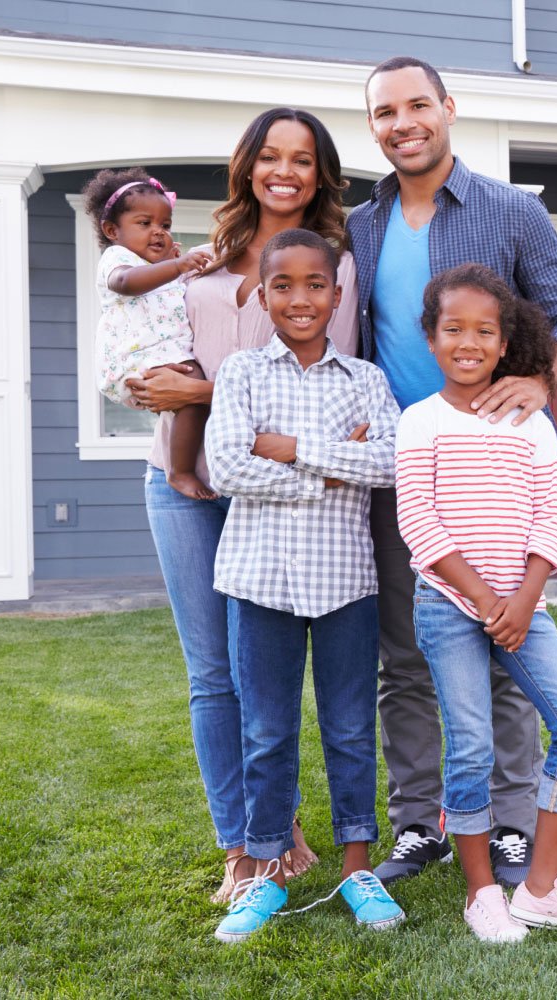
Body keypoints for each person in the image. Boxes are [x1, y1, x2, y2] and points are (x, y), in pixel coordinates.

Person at [347, 56, 557, 888]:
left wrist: (542, 377)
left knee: (508, 651)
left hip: (503, 466)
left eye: (418, 104)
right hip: (408, 469)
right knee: (408, 656)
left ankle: (513, 826)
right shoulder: (361, 225)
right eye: (385, 112)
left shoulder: (510, 211)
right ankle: (420, 825)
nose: (403, 122)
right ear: (373, 126)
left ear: (449, 109)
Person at [127, 107, 360, 902]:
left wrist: (199, 388)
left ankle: (276, 822)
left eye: (301, 158)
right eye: (269, 156)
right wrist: (154, 384)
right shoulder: (201, 256)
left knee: (270, 674)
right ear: (248, 165)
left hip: (274, 496)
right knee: (211, 675)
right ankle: (245, 842)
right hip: (182, 481)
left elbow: (327, 390)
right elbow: (157, 356)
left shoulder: (336, 267)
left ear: (321, 173)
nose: (283, 171)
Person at [395, 263, 557, 942]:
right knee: (470, 747)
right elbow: (420, 524)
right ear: (430, 339)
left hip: (526, 607)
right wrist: (487, 599)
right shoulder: (419, 422)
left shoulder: (532, 423)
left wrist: (524, 601)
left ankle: (542, 889)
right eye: (453, 328)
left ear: (504, 343)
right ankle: (481, 894)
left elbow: (549, 518)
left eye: (484, 330)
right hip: (448, 606)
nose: (468, 341)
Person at [206, 228, 403, 943]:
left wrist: (288, 450)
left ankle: (357, 867)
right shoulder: (240, 374)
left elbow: (387, 462)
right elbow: (227, 466)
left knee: (351, 728)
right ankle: (263, 871)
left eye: (315, 285)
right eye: (282, 285)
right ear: (263, 295)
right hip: (258, 580)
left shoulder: (367, 382)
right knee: (265, 730)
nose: (299, 298)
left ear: (337, 293)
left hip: (345, 581)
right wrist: (330, 466)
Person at [82, 167, 215, 500]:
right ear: (113, 230)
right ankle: (180, 471)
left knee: (191, 392)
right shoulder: (117, 259)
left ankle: (183, 465)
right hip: (135, 357)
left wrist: (171, 266)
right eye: (145, 224)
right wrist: (176, 265)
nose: (158, 232)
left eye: (165, 225)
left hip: (161, 353)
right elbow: (126, 283)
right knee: (193, 392)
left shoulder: (160, 267)